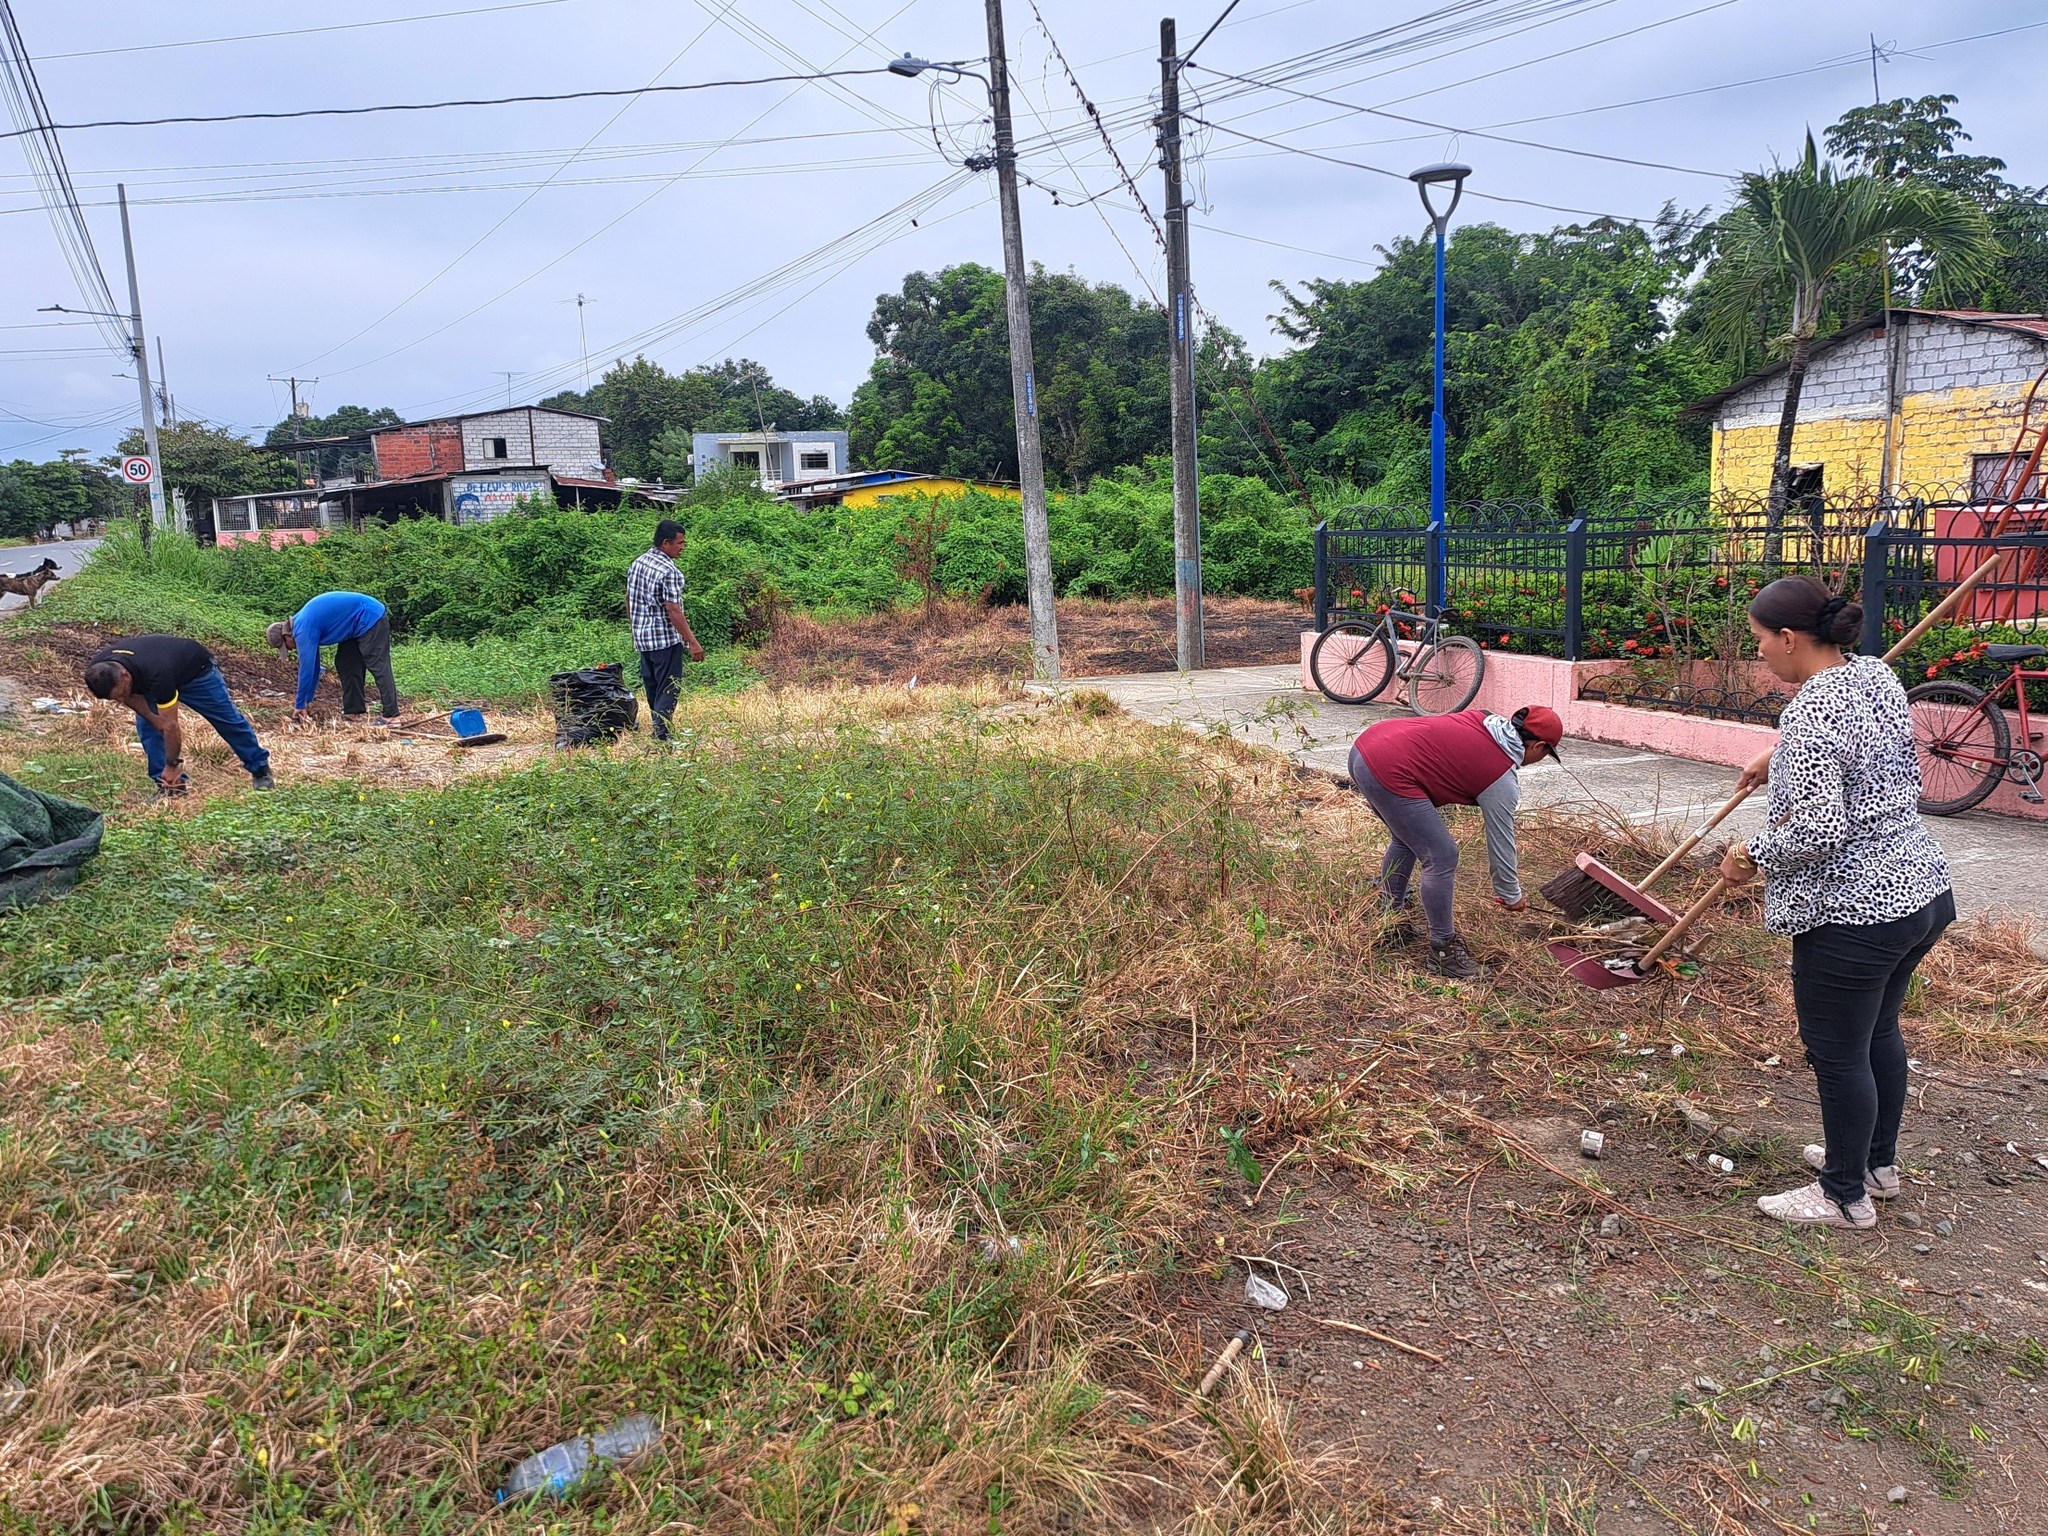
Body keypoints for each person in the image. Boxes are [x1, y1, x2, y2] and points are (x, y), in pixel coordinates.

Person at [1721, 576, 1954, 1231]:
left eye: (1760, 640)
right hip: (1921, 892)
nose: (1758, 652)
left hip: (1857, 910)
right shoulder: (1874, 674)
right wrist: (1780, 754)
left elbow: (1818, 829)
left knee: (1839, 1052)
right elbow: (1859, 753)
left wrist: (1748, 855)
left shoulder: (1809, 712)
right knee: (1877, 1033)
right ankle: (1875, 1165)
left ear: (1789, 638)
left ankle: (1843, 1197)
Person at [1348, 704, 1565, 979]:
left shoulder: (1486, 720)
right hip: (1387, 766)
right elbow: (1501, 843)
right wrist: (1511, 895)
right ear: (1539, 746)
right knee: (1441, 856)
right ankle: (1443, 953)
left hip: (1366, 746)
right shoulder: (1500, 779)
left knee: (1406, 839)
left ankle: (1390, 919)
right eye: (1546, 754)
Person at [84, 634, 274, 797]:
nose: (121, 699)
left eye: (122, 693)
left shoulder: (157, 673)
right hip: (149, 675)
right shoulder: (99, 670)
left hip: (195, 672)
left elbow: (170, 726)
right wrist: (152, 718)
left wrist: (172, 763)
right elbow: (129, 698)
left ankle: (260, 769)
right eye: (115, 698)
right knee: (148, 729)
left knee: (226, 720)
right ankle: (170, 786)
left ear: (125, 675)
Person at [266, 591, 399, 724]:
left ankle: (392, 716)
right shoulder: (301, 625)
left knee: (378, 666)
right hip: (353, 625)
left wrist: (300, 704)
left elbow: (306, 670)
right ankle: (353, 711)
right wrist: (307, 700)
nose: (291, 649)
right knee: (346, 663)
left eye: (287, 647)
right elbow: (314, 668)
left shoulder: (302, 630)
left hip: (370, 616)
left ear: (287, 636)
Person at [626, 520, 704, 742]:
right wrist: (692, 642)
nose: (683, 547)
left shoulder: (639, 562)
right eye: (680, 543)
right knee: (668, 687)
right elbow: (673, 609)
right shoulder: (669, 571)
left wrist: (634, 626)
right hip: (664, 640)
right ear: (666, 543)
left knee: (653, 686)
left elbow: (629, 598)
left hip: (643, 638)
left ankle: (659, 728)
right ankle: (662, 734)